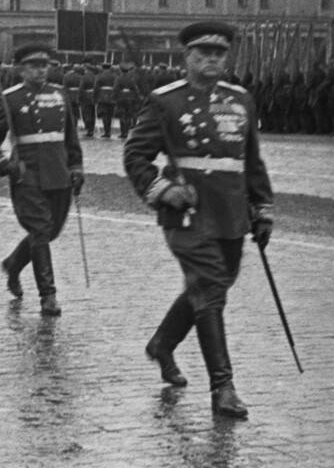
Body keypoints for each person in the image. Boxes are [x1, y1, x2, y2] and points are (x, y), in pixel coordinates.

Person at [124, 21, 274, 420]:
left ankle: (162, 342)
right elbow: (136, 157)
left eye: (218, 54)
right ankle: (222, 387)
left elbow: (251, 161)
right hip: (186, 213)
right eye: (202, 54)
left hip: (230, 214)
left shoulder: (241, 100)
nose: (211, 60)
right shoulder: (165, 101)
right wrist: (162, 190)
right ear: (186, 58)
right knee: (210, 294)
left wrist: (262, 209)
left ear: (227, 58)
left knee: (209, 287)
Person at [0, 44, 84, 316]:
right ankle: (48, 296)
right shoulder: (10, 99)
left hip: (59, 172)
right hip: (27, 174)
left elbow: (70, 136)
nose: (39, 70)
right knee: (40, 230)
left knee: (51, 231)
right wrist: (4, 164)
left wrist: (76, 166)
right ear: (21, 70)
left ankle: (14, 264)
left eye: (43, 65)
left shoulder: (60, 94)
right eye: (32, 66)